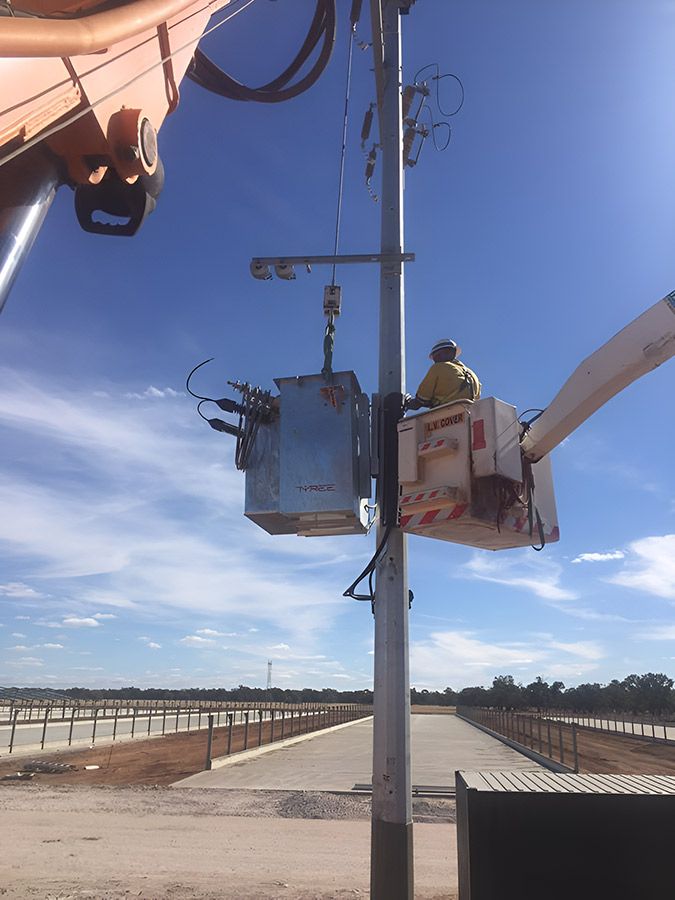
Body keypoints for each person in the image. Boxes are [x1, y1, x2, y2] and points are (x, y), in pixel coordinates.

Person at [406, 338, 481, 409]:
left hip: (445, 414)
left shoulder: (438, 367)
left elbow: (422, 398)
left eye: (436, 356)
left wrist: (407, 403)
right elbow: (477, 397)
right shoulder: (472, 374)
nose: (435, 360)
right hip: (469, 413)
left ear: (447, 352)